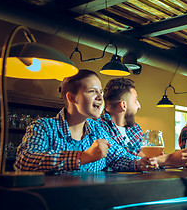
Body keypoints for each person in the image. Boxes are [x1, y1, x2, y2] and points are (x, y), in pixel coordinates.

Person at [14, 70, 156, 173]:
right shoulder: (43, 127)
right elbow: (25, 161)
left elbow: (119, 157)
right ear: (72, 98)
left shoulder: (97, 129)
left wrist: (138, 163)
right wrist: (83, 157)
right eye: (92, 91)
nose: (100, 97)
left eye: (100, 91)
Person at [100, 78, 187, 168]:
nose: (139, 105)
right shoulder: (100, 128)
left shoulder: (134, 128)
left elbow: (146, 156)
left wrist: (182, 160)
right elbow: (122, 159)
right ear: (124, 105)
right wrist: (168, 159)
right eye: (135, 100)